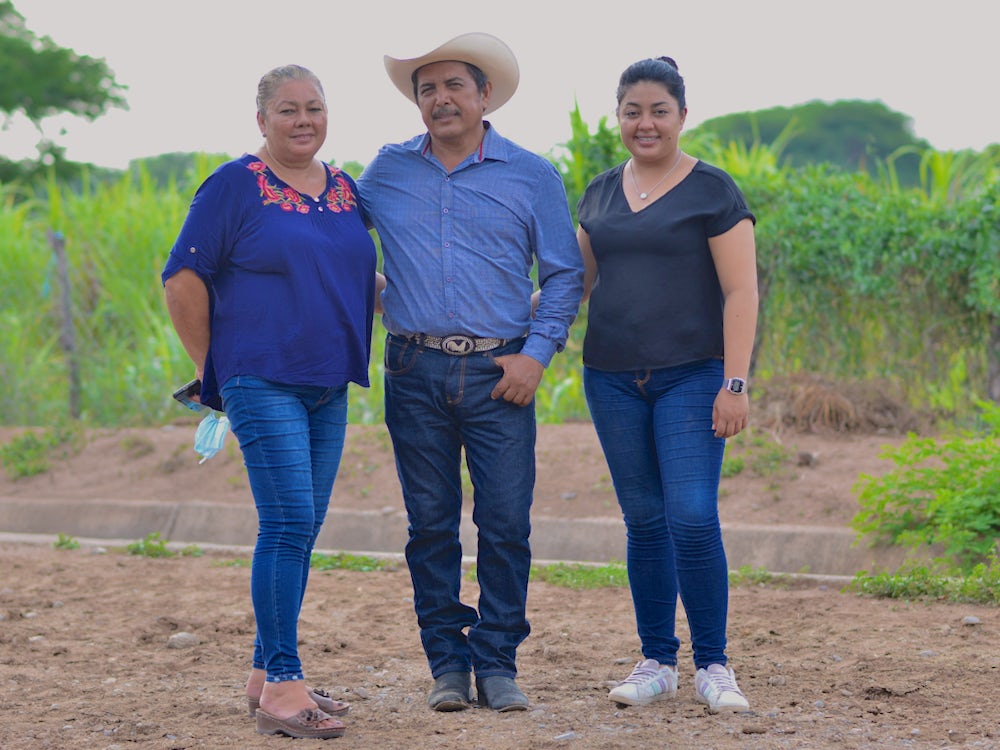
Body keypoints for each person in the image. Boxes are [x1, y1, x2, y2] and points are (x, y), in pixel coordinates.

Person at [357, 33, 584, 713]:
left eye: (454, 85)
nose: (440, 98)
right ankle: (448, 665)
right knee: (429, 524)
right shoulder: (388, 170)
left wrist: (536, 355)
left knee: (506, 521)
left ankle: (498, 660)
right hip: (414, 367)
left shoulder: (532, 174)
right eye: (427, 88)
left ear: (485, 95)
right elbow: (329, 232)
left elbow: (565, 274)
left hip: (500, 372)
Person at [161, 64, 377, 739]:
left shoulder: (344, 190)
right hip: (260, 378)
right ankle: (285, 686)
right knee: (285, 523)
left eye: (314, 107)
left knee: (302, 528)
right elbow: (182, 277)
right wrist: (213, 370)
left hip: (329, 382)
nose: (303, 120)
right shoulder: (235, 185)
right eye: (288, 110)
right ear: (262, 119)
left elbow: (354, 274)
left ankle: (263, 676)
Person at [575, 56, 758, 714]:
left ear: (682, 116)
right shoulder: (597, 193)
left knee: (690, 512)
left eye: (658, 110)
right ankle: (657, 660)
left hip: (693, 375)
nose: (644, 123)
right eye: (632, 111)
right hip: (611, 379)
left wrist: (734, 382)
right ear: (618, 117)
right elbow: (577, 283)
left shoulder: (713, 191)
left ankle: (714, 664)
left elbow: (741, 291)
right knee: (645, 520)